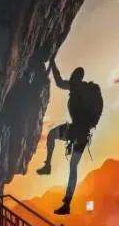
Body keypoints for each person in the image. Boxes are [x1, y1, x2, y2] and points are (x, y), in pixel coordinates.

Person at [36, 56, 102, 215]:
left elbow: (58, 82)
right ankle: (67, 203)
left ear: (76, 77)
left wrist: (51, 62)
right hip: (83, 134)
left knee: (52, 134)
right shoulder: (87, 89)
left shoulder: (76, 86)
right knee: (73, 167)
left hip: (74, 131)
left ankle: (48, 165)